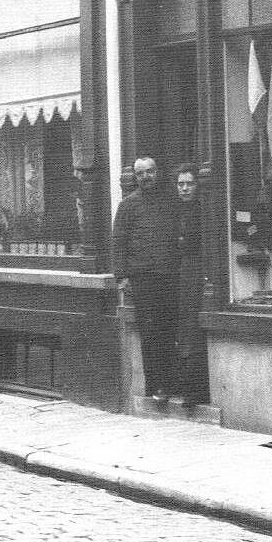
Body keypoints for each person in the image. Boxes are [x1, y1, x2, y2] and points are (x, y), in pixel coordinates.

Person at [112, 156, 180, 404]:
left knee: (169, 328)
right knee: (150, 332)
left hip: (169, 276)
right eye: (140, 174)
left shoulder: (170, 201)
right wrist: (122, 277)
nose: (146, 177)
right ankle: (156, 386)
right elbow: (118, 241)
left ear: (157, 172)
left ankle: (173, 383)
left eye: (150, 171)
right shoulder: (128, 205)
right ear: (135, 177)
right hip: (143, 279)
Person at [174, 163, 208, 406]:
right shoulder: (176, 210)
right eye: (180, 184)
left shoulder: (204, 211)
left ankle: (196, 390)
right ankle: (185, 386)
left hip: (198, 271)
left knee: (194, 327)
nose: (184, 189)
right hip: (181, 273)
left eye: (189, 184)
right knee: (184, 326)